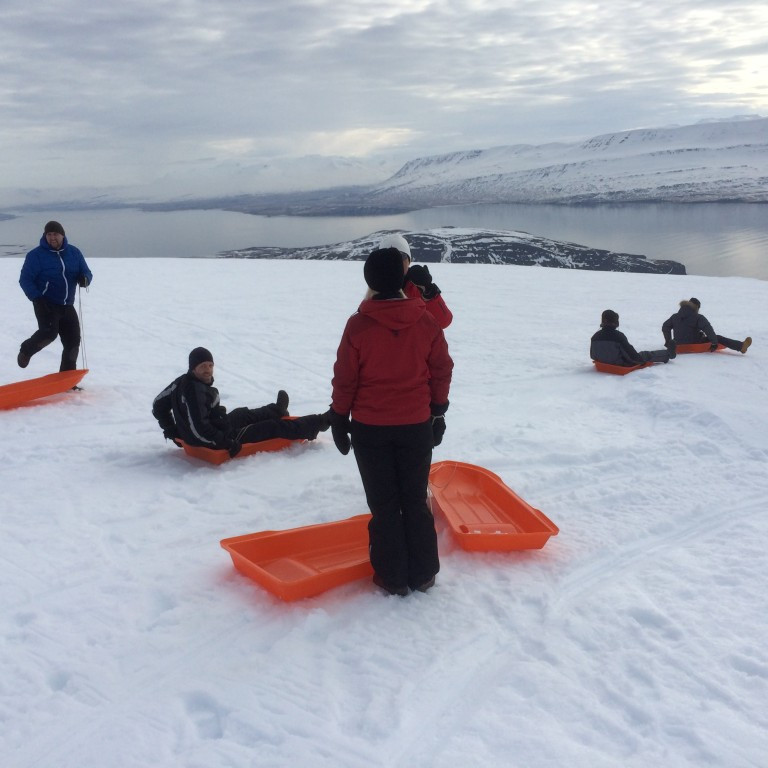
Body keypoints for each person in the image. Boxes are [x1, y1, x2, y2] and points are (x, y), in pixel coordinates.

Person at [329, 247, 453, 596]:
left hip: (371, 429)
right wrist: (438, 410)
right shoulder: (425, 320)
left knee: (384, 504)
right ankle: (424, 573)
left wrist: (339, 416)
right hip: (416, 425)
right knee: (413, 499)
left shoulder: (358, 325)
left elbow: (345, 379)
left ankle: (392, 576)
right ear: (402, 279)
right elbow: (442, 368)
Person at [152, 347, 330, 456]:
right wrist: (225, 443)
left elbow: (158, 404)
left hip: (214, 429)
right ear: (193, 368)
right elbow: (200, 430)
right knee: (272, 427)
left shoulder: (181, 382)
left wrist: (170, 428)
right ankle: (320, 422)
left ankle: (277, 409)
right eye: (202, 367)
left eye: (210, 365)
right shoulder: (194, 391)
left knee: (241, 414)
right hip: (214, 441)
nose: (208, 370)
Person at [18, 221, 93, 371]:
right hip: (45, 303)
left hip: (67, 304)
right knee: (48, 334)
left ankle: (67, 378)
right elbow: (25, 279)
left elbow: (86, 272)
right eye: (49, 234)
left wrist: (84, 279)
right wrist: (36, 298)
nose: (52, 237)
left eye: (55, 234)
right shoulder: (36, 256)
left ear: (62, 235)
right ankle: (26, 350)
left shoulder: (74, 252)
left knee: (73, 342)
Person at [379, 233, 453, 329]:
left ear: (409, 261)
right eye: (388, 257)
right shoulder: (376, 289)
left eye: (401, 256)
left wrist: (429, 292)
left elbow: (443, 322)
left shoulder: (419, 288)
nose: (395, 261)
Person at [662, 297, 752, 354]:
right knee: (718, 338)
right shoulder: (698, 317)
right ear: (696, 307)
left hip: (678, 345)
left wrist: (668, 341)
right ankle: (741, 347)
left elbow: (665, 327)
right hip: (694, 344)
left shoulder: (675, 316)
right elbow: (707, 328)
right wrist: (714, 342)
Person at [591, 309, 673, 366]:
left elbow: (592, 355)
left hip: (602, 364)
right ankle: (668, 354)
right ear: (615, 322)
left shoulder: (595, 336)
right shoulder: (618, 336)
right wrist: (641, 360)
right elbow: (632, 356)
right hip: (620, 364)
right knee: (645, 355)